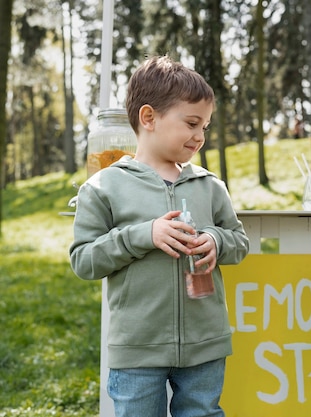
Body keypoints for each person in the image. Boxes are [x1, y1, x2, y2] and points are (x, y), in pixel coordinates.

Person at [70, 55, 249, 417]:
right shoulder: (103, 187)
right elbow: (84, 260)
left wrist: (215, 239)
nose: (200, 136)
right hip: (138, 349)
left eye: (205, 127)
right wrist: (143, 235)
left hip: (204, 346)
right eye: (192, 123)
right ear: (149, 118)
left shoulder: (209, 185)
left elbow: (238, 242)